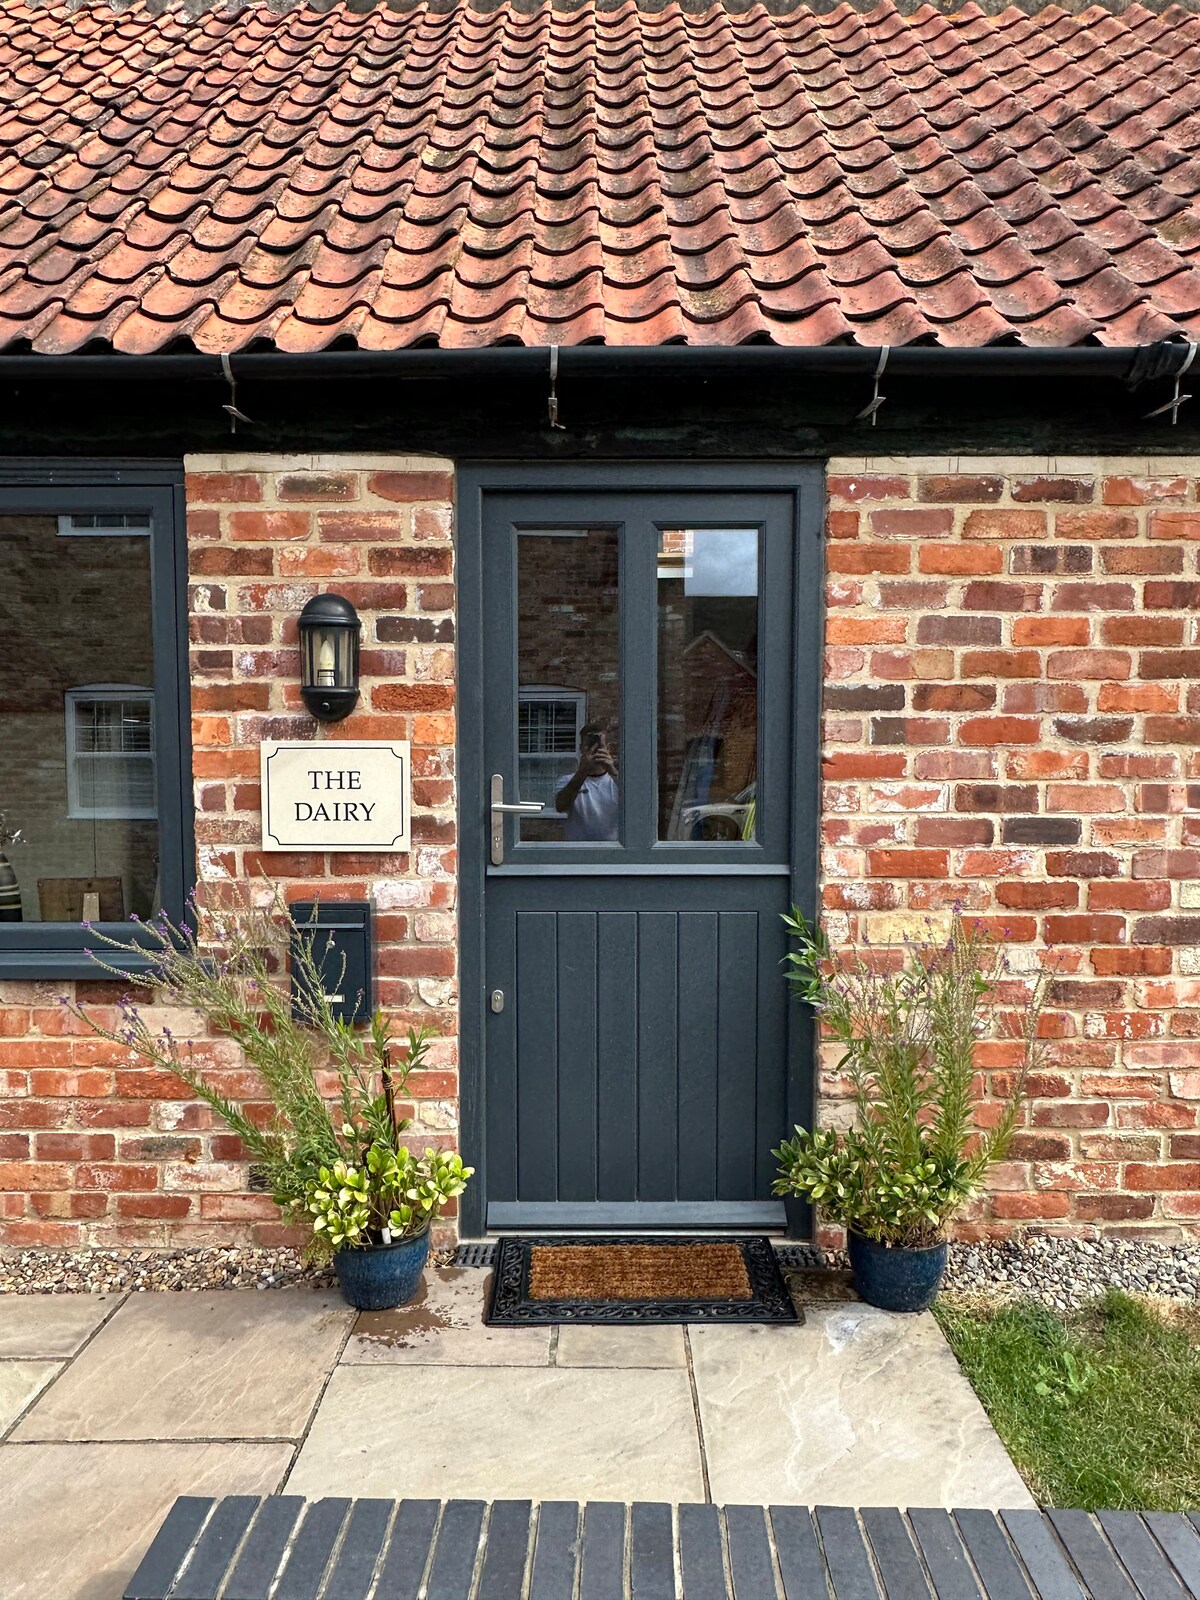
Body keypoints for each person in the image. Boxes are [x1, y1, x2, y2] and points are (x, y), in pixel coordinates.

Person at [554, 721, 618, 841]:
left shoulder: (616, 781)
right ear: (581, 748)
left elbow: (635, 805)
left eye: (599, 745)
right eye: (589, 745)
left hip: (612, 851)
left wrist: (612, 770)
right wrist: (583, 771)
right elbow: (561, 806)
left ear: (608, 748)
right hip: (578, 851)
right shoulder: (567, 780)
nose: (594, 750)